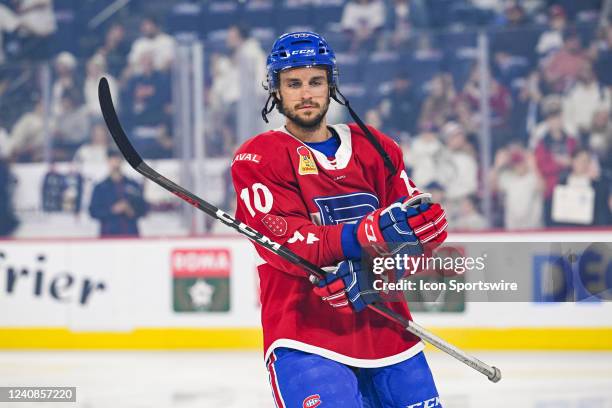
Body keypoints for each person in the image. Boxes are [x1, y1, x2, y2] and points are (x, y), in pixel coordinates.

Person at [231, 32, 448, 407]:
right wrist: (366, 236)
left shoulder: (376, 146)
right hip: (306, 337)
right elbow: (285, 242)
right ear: (276, 90)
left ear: (331, 84)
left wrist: (419, 237)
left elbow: (408, 232)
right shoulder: (259, 157)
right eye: (293, 83)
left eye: (316, 81)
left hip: (388, 331)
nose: (306, 93)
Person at [89, 149, 148, 237]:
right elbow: (93, 211)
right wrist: (113, 210)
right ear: (108, 161)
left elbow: (143, 208)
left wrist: (131, 210)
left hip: (131, 234)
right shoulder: (100, 187)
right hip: (109, 235)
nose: (115, 162)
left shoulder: (133, 185)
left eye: (117, 159)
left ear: (122, 161)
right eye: (112, 159)